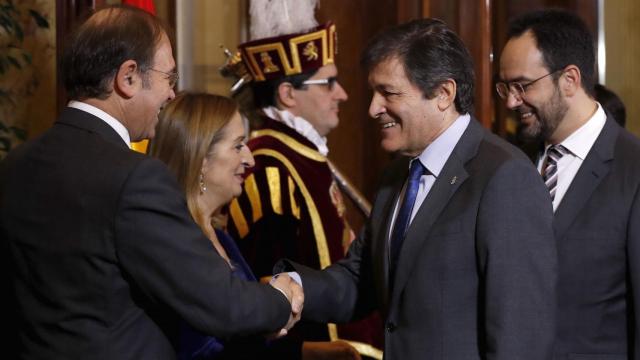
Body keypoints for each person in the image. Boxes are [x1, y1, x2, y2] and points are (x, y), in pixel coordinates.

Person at [0, 6, 303, 359]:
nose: (172, 95)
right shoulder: (135, 177)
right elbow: (221, 303)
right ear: (128, 77)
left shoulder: (14, 166)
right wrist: (282, 297)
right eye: (168, 78)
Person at [275, 18, 558, 359]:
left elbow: (520, 337)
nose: (373, 108)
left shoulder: (504, 177)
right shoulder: (396, 176)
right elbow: (360, 279)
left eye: (389, 93)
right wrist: (294, 286)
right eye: (373, 93)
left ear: (443, 94)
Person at [149, 92, 360, 360]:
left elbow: (249, 344)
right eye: (238, 146)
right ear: (201, 158)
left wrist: (312, 352)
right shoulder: (176, 242)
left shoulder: (222, 240)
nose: (250, 159)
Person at [224, 1, 382, 358]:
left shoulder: (302, 154)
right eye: (329, 83)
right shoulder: (267, 165)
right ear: (287, 94)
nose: (341, 93)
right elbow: (261, 283)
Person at [497, 9, 640, 359]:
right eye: (505, 87)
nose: (511, 101)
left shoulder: (633, 170)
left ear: (570, 80)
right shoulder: (507, 164)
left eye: (523, 85)